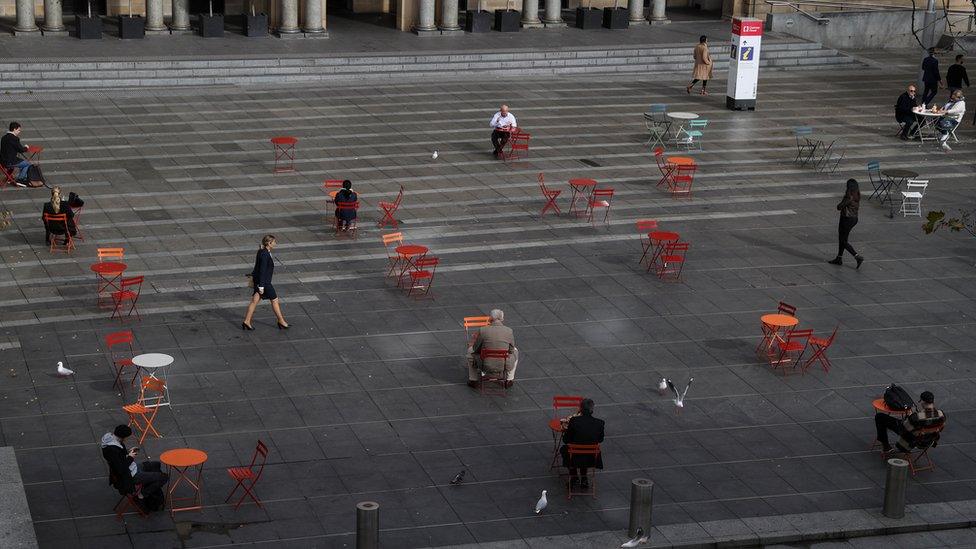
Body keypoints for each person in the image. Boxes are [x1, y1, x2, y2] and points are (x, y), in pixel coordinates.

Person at [100, 425, 169, 507]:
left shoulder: (114, 440)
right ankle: (142, 494)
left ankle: (151, 485)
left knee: (156, 464)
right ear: (123, 437)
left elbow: (120, 457)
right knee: (164, 477)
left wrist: (129, 452)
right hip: (130, 475)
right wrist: (130, 457)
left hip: (132, 468)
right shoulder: (113, 450)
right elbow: (121, 468)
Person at [874, 391, 945, 456]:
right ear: (933, 401)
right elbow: (940, 428)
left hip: (913, 441)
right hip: (928, 441)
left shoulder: (916, 417)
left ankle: (886, 447)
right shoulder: (941, 414)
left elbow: (903, 430)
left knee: (880, 417)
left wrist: (909, 416)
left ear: (922, 401)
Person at [242, 234, 289, 330]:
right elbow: (262, 270)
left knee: (254, 301)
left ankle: (246, 321)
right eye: (274, 242)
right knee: (274, 300)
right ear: (269, 243)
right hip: (265, 283)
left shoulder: (262, 251)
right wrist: (262, 286)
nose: (275, 243)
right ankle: (281, 321)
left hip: (259, 281)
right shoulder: (265, 254)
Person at [559, 398, 605, 489]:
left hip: (574, 456)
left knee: (564, 449)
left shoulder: (574, 421)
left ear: (581, 409)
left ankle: (574, 476)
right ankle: (584, 478)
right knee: (584, 450)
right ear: (592, 409)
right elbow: (600, 439)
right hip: (592, 457)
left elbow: (566, 440)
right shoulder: (600, 423)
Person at [467, 308, 518, 388]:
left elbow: (476, 348)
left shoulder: (483, 330)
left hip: (485, 365)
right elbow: (511, 350)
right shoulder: (509, 331)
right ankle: (509, 379)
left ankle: (473, 380)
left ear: (490, 318)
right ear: (502, 319)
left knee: (470, 351)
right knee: (516, 351)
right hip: (503, 365)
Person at [827, 179, 863, 269]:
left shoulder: (849, 196)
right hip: (853, 218)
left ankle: (857, 256)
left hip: (846, 219)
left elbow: (839, 207)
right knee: (842, 238)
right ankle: (839, 258)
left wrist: (840, 203)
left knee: (843, 241)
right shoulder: (857, 194)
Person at [1, 122, 33, 186]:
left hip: (2, 161)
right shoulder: (15, 138)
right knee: (27, 164)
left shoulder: (3, 137)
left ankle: (9, 178)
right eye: (18, 130)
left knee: (21, 162)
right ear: (14, 129)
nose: (19, 132)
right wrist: (26, 147)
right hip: (10, 162)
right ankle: (20, 179)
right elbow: (21, 150)